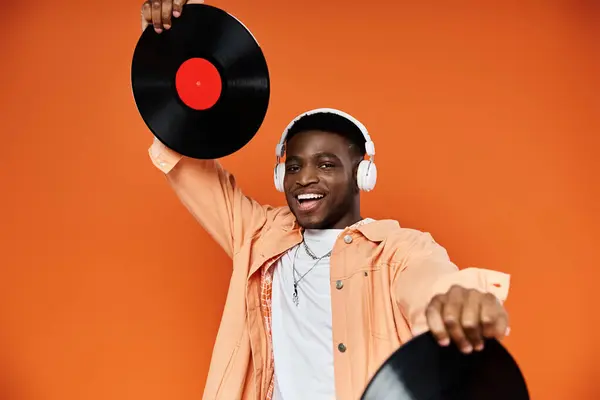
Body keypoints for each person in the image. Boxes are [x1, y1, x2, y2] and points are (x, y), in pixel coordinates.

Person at [140, 2, 512, 399]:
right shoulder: (260, 236)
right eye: (294, 166)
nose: (306, 178)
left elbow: (432, 284)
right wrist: (171, 43)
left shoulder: (397, 250)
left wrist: (457, 299)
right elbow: (186, 162)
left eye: (327, 164)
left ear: (362, 175)